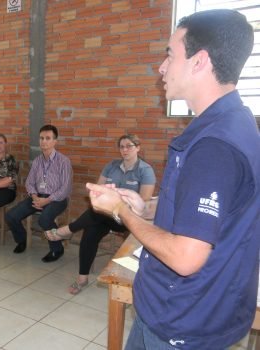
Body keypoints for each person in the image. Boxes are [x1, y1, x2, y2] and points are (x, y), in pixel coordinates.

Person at [87, 9, 259, 349]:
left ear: (199, 61)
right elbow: (214, 219)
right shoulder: (235, 124)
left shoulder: (214, 146)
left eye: (170, 54)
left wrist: (123, 211)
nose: (162, 67)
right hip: (195, 311)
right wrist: (147, 207)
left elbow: (185, 257)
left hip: (183, 320)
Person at [46, 134, 155, 294]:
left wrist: (117, 200)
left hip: (128, 219)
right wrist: (108, 199)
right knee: (90, 231)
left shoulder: (145, 170)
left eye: (129, 146)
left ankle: (67, 230)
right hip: (105, 215)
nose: (125, 150)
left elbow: (143, 203)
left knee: (97, 213)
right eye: (122, 146)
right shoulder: (111, 165)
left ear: (137, 147)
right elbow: (97, 191)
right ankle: (82, 278)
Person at [5, 124, 72, 262]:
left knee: (44, 219)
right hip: (37, 197)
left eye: (48, 138)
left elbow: (65, 188)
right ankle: (22, 240)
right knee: (11, 216)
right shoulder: (37, 161)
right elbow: (29, 183)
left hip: (57, 199)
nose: (44, 141)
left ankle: (57, 249)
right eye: (41, 138)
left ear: (55, 141)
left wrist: (47, 201)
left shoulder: (63, 161)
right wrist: (35, 196)